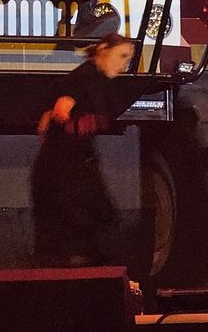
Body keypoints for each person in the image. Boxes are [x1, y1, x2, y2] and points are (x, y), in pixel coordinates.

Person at [31, 34, 135, 267]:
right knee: (93, 223)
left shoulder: (102, 84)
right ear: (102, 49)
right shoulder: (84, 77)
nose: (124, 65)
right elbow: (61, 109)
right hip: (62, 166)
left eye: (128, 59)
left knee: (97, 222)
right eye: (122, 56)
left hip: (75, 162)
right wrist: (57, 115)